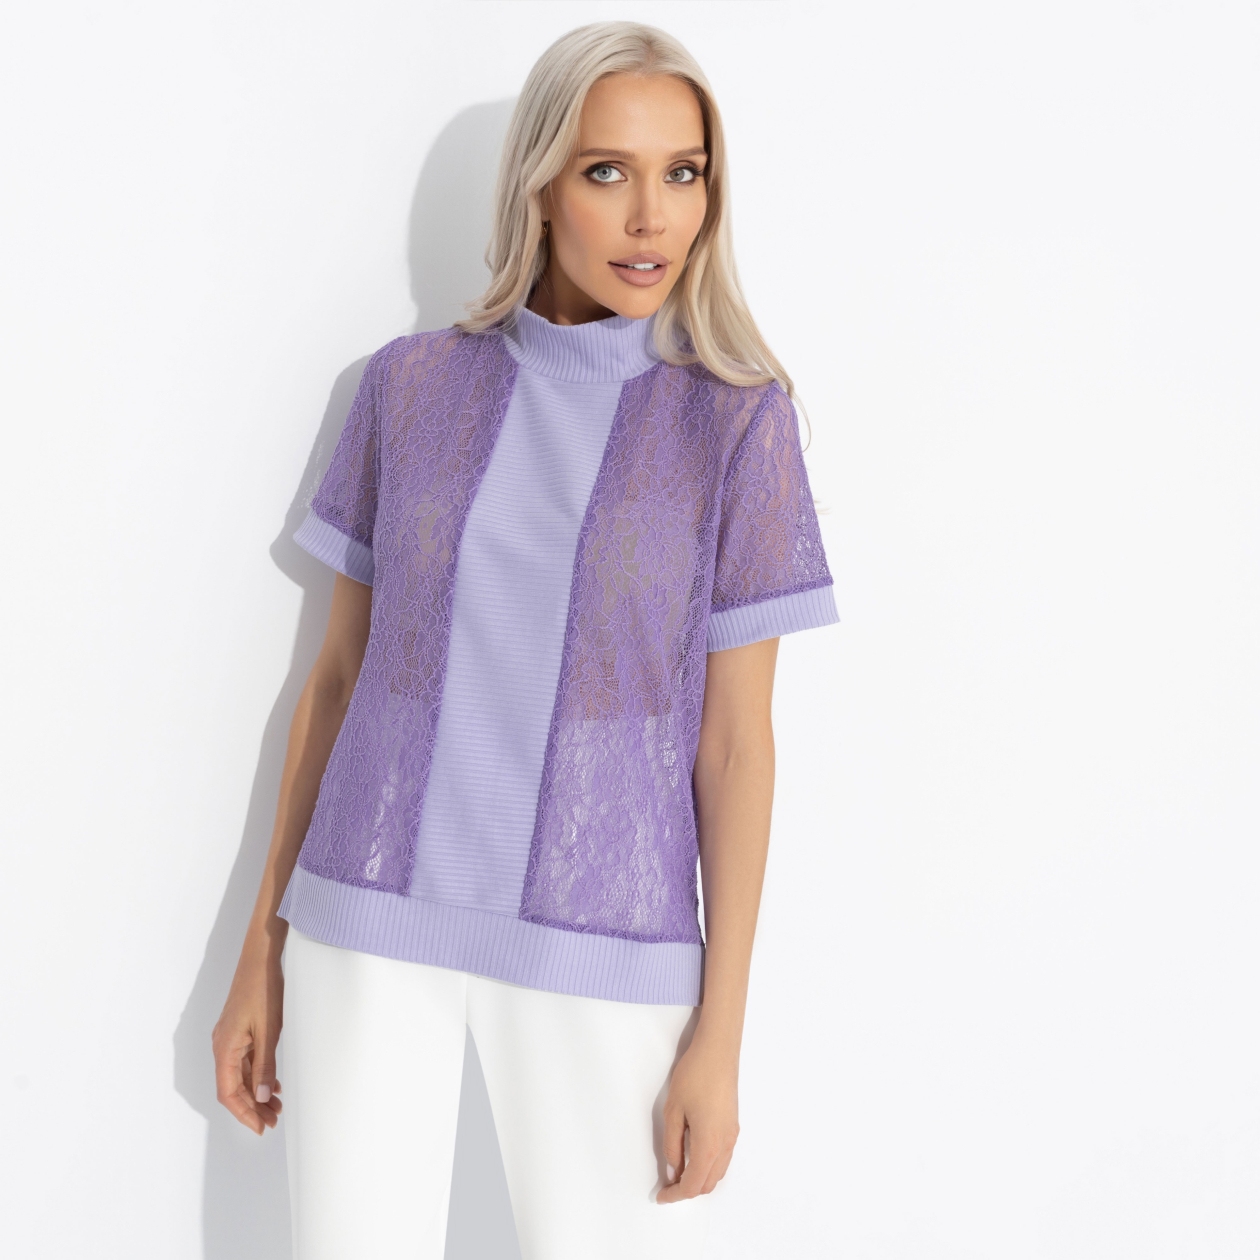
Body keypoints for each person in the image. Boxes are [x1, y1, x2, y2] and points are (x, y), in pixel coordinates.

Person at [212, 20, 837, 1259]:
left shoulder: (736, 423)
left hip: (606, 948)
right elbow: (337, 683)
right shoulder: (409, 388)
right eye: (608, 171)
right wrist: (260, 949)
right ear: (542, 184)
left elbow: (734, 749)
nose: (652, 216)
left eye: (684, 172)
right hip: (365, 928)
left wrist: (720, 1034)